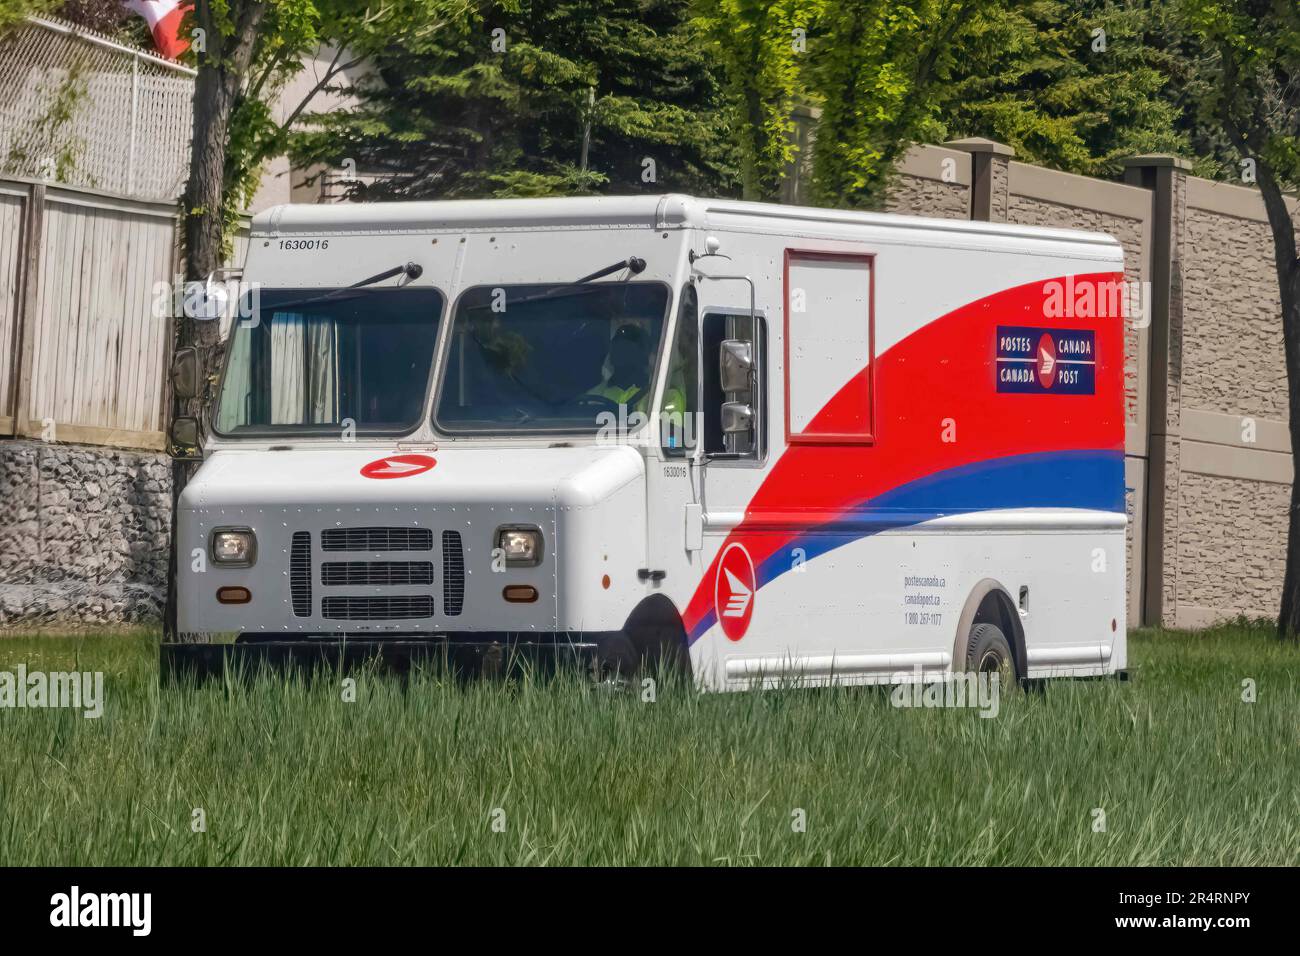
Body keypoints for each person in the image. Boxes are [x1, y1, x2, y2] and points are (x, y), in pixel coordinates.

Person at [586, 323, 653, 413]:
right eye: (619, 347)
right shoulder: (593, 397)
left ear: (643, 357)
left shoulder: (657, 395)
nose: (622, 353)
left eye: (629, 349)